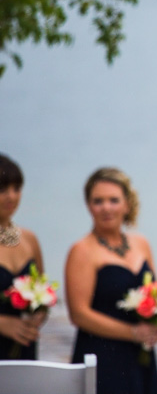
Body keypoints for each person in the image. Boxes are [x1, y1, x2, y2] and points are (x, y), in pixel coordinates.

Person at [66, 167, 157, 394]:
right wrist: (132, 332)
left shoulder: (142, 244)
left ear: (127, 204)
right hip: (102, 358)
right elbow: (79, 314)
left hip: (141, 357)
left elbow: (155, 296)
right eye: (98, 201)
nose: (106, 208)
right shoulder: (81, 250)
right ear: (88, 206)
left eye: (113, 200)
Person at [0, 154, 47, 359]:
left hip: (24, 344)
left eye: (16, 189)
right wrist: (3, 324)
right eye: (2, 190)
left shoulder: (29, 239)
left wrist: (39, 315)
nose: (11, 197)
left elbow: (42, 294)